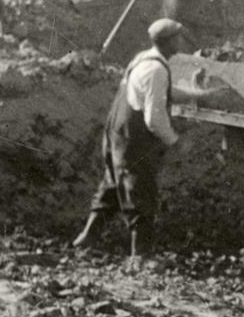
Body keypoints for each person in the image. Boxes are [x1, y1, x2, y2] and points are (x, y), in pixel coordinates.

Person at [71, 18, 217, 263]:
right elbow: (154, 119)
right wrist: (175, 141)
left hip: (116, 134)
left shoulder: (145, 60)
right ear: (170, 41)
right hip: (132, 139)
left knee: (111, 187)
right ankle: (140, 257)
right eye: (178, 38)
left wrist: (198, 96)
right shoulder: (156, 70)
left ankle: (87, 238)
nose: (182, 42)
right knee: (141, 194)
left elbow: (164, 91)